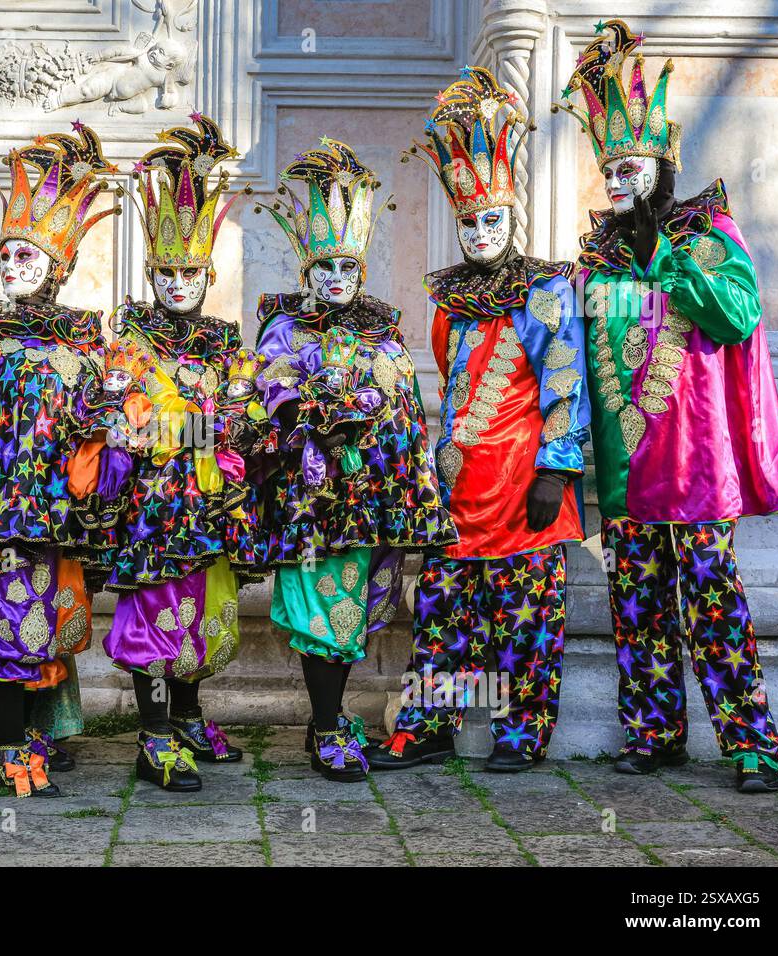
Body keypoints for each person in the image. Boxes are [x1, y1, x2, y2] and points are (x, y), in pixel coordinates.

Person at [556, 20, 778, 792]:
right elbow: (583, 355)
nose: (618, 182)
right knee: (641, 613)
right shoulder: (596, 257)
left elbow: (737, 315)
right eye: (611, 170)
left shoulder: (706, 234)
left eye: (631, 167)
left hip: (696, 469)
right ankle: (652, 733)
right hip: (628, 474)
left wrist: (669, 263)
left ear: (663, 165)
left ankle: (751, 746)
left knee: (714, 611)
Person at [371, 67, 590, 774]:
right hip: (461, 492)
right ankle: (430, 726)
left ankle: (523, 734)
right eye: (470, 222)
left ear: (510, 217)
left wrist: (557, 469)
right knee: (443, 618)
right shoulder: (449, 303)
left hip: (526, 486)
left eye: (491, 219)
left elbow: (565, 381)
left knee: (524, 623)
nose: (481, 231)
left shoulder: (548, 289)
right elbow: (451, 390)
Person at [254, 138, 456, 782]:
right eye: (323, 269)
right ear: (306, 271)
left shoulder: (385, 331)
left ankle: (329, 720)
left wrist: (417, 492)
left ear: (360, 269)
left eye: (346, 266)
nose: (336, 279)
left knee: (354, 611)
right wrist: (316, 416)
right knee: (327, 610)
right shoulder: (285, 327)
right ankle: (325, 728)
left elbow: (405, 409)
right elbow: (272, 387)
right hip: (316, 503)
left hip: (374, 503)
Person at [72, 113, 258, 792]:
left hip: (207, 508)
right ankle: (152, 740)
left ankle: (185, 719)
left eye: (191, 273)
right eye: (168, 273)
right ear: (152, 272)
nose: (180, 286)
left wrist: (230, 427)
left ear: (208, 274)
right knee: (153, 624)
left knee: (203, 620)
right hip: (150, 515)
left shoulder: (222, 341)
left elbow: (244, 411)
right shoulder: (127, 341)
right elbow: (116, 418)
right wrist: (180, 430)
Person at [0, 122, 117, 797]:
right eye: (6, 257)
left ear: (57, 267)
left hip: (57, 516)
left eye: (26, 259)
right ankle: (6, 749)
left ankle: (28, 735)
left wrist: (110, 423)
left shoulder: (81, 343)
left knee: (44, 626)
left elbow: (102, 423)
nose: (12, 270)